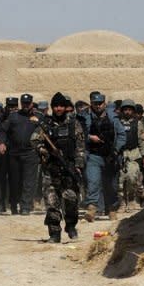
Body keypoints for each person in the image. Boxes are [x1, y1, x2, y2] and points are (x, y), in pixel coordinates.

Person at [31, 92, 85, 242]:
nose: (59, 108)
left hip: (68, 169)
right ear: (52, 107)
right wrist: (46, 151)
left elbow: (80, 146)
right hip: (51, 170)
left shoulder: (74, 124)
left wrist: (79, 164)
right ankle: (54, 234)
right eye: (56, 106)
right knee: (51, 203)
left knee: (71, 201)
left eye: (61, 106)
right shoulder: (45, 125)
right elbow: (34, 141)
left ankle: (71, 226)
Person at [84, 92, 126, 221]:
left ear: (104, 103)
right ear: (91, 103)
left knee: (111, 185)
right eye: (95, 103)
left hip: (110, 157)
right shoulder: (86, 118)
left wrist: (116, 150)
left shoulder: (113, 118)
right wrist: (90, 137)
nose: (97, 106)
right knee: (93, 182)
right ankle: (92, 208)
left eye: (100, 103)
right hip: (94, 155)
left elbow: (122, 136)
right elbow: (79, 134)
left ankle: (112, 209)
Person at [0, 94, 43, 215]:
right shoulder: (13, 117)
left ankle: (25, 206)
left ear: (32, 104)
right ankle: (13, 204)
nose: (26, 105)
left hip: (30, 153)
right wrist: (1, 143)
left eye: (28, 103)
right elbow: (3, 130)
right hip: (14, 153)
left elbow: (45, 131)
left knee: (29, 181)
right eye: (24, 103)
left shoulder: (38, 117)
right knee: (14, 181)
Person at [117, 99, 144, 210]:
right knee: (120, 180)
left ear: (133, 111)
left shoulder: (138, 124)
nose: (127, 112)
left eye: (130, 110)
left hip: (134, 153)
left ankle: (131, 199)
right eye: (125, 110)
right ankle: (122, 202)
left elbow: (141, 141)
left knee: (132, 177)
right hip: (120, 154)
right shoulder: (117, 122)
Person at [0, 97, 18, 213]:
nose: (12, 109)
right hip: (2, 153)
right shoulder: (1, 118)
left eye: (14, 106)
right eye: (10, 106)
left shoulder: (20, 117)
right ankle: (1, 203)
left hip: (15, 152)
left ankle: (13, 204)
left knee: (15, 180)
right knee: (0, 179)